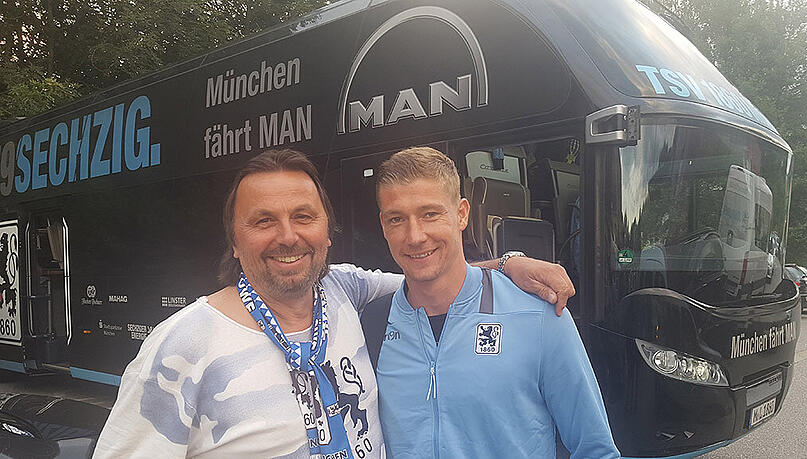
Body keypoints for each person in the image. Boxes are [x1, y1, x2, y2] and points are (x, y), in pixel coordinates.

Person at [93, 148, 575, 458]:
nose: (288, 236)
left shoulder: (343, 290)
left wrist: (508, 264)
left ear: (327, 231)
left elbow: (432, 272)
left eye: (304, 216)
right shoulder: (183, 345)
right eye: (263, 221)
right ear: (235, 242)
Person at [372, 147, 619, 458]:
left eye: (430, 214)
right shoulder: (372, 324)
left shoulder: (537, 314)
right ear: (383, 225)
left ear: (461, 214)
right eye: (397, 219)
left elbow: (596, 450)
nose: (415, 236)